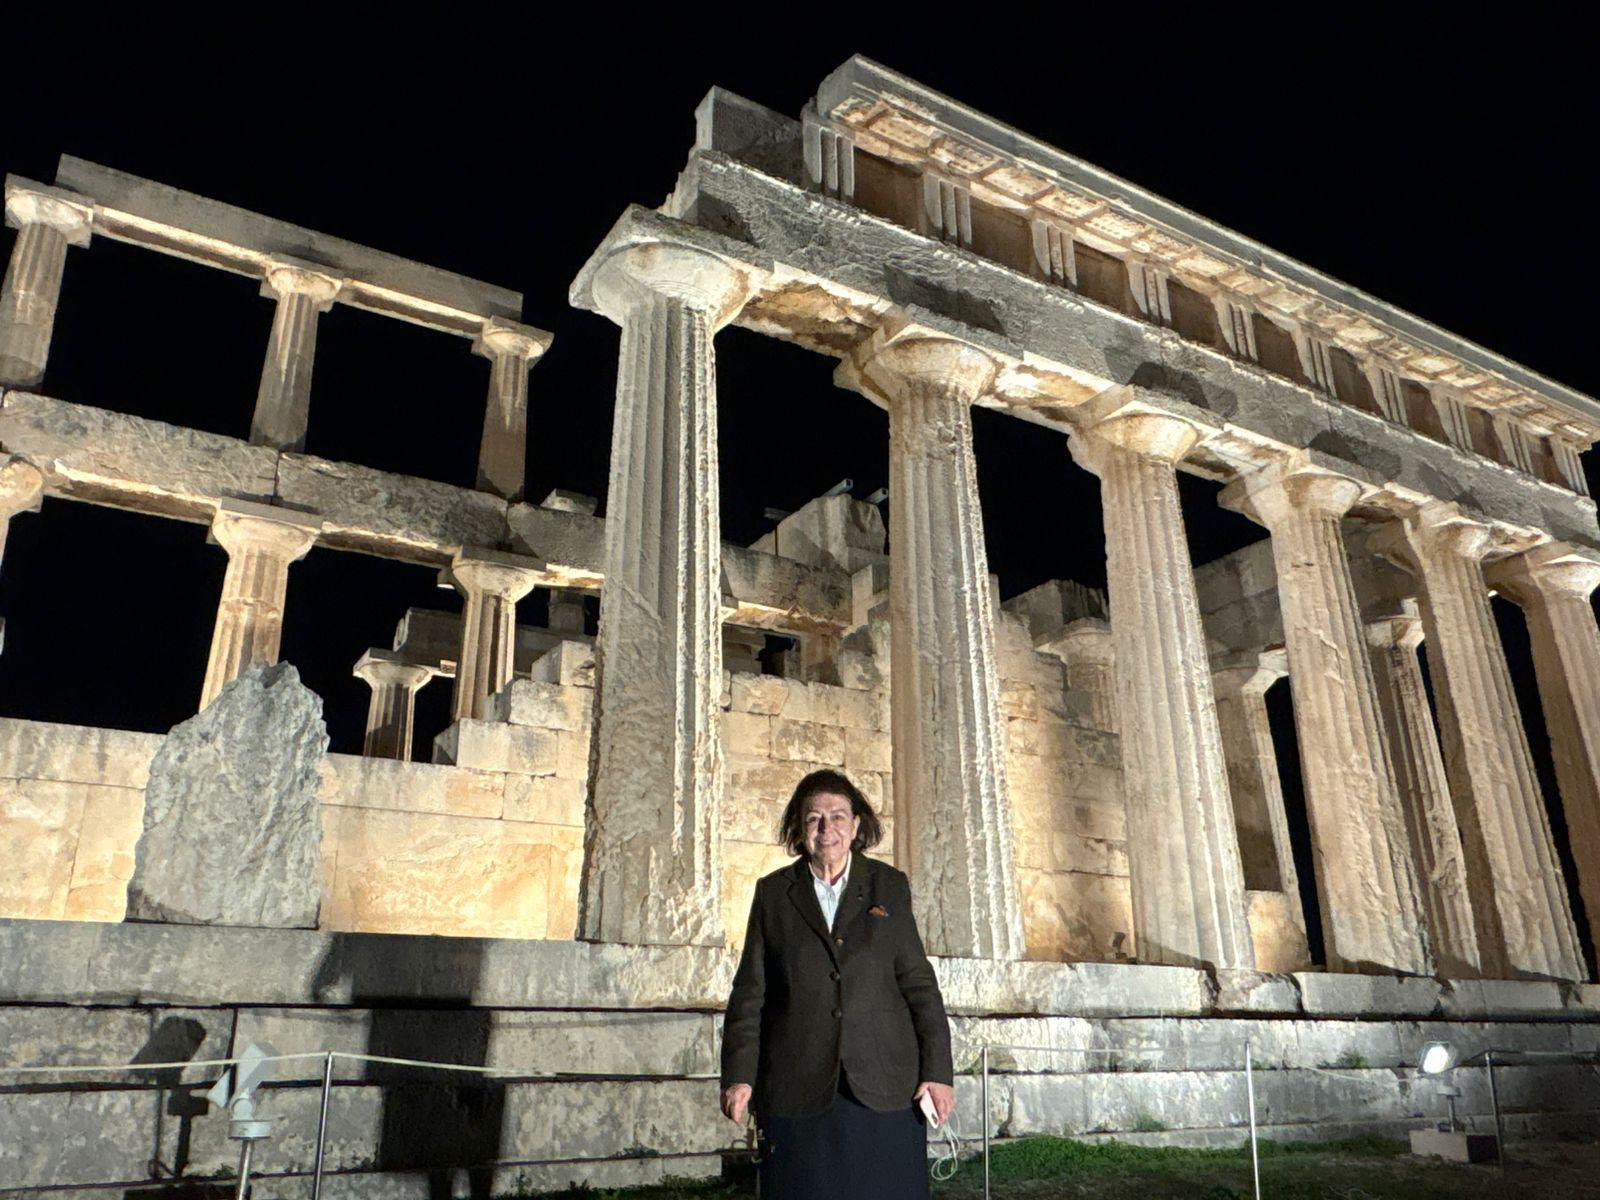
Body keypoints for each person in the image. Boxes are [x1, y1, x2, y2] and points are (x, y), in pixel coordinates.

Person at [720, 768, 955, 1199]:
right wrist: (738, 1077)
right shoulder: (773, 894)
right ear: (799, 828)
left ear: (857, 824)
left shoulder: (889, 886)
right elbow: (750, 994)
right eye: (814, 818)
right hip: (798, 1088)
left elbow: (920, 985)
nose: (826, 829)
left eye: (838, 816)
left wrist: (938, 1072)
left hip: (885, 1088)